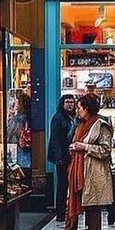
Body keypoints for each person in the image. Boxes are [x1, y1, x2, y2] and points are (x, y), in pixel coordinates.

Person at [51, 94, 113, 230]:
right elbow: (74, 143)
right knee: (71, 205)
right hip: (77, 170)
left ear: (87, 108)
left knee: (92, 208)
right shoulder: (79, 125)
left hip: (92, 172)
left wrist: (84, 147)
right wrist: (74, 148)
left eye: (79, 107)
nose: (77, 110)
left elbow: (105, 150)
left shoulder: (101, 125)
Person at [47, 93, 76, 221]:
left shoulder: (73, 117)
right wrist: (58, 157)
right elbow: (54, 139)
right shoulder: (58, 118)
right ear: (62, 104)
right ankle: (60, 213)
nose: (70, 104)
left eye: (71, 102)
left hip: (71, 156)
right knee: (62, 185)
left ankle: (71, 211)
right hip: (62, 157)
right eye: (67, 102)